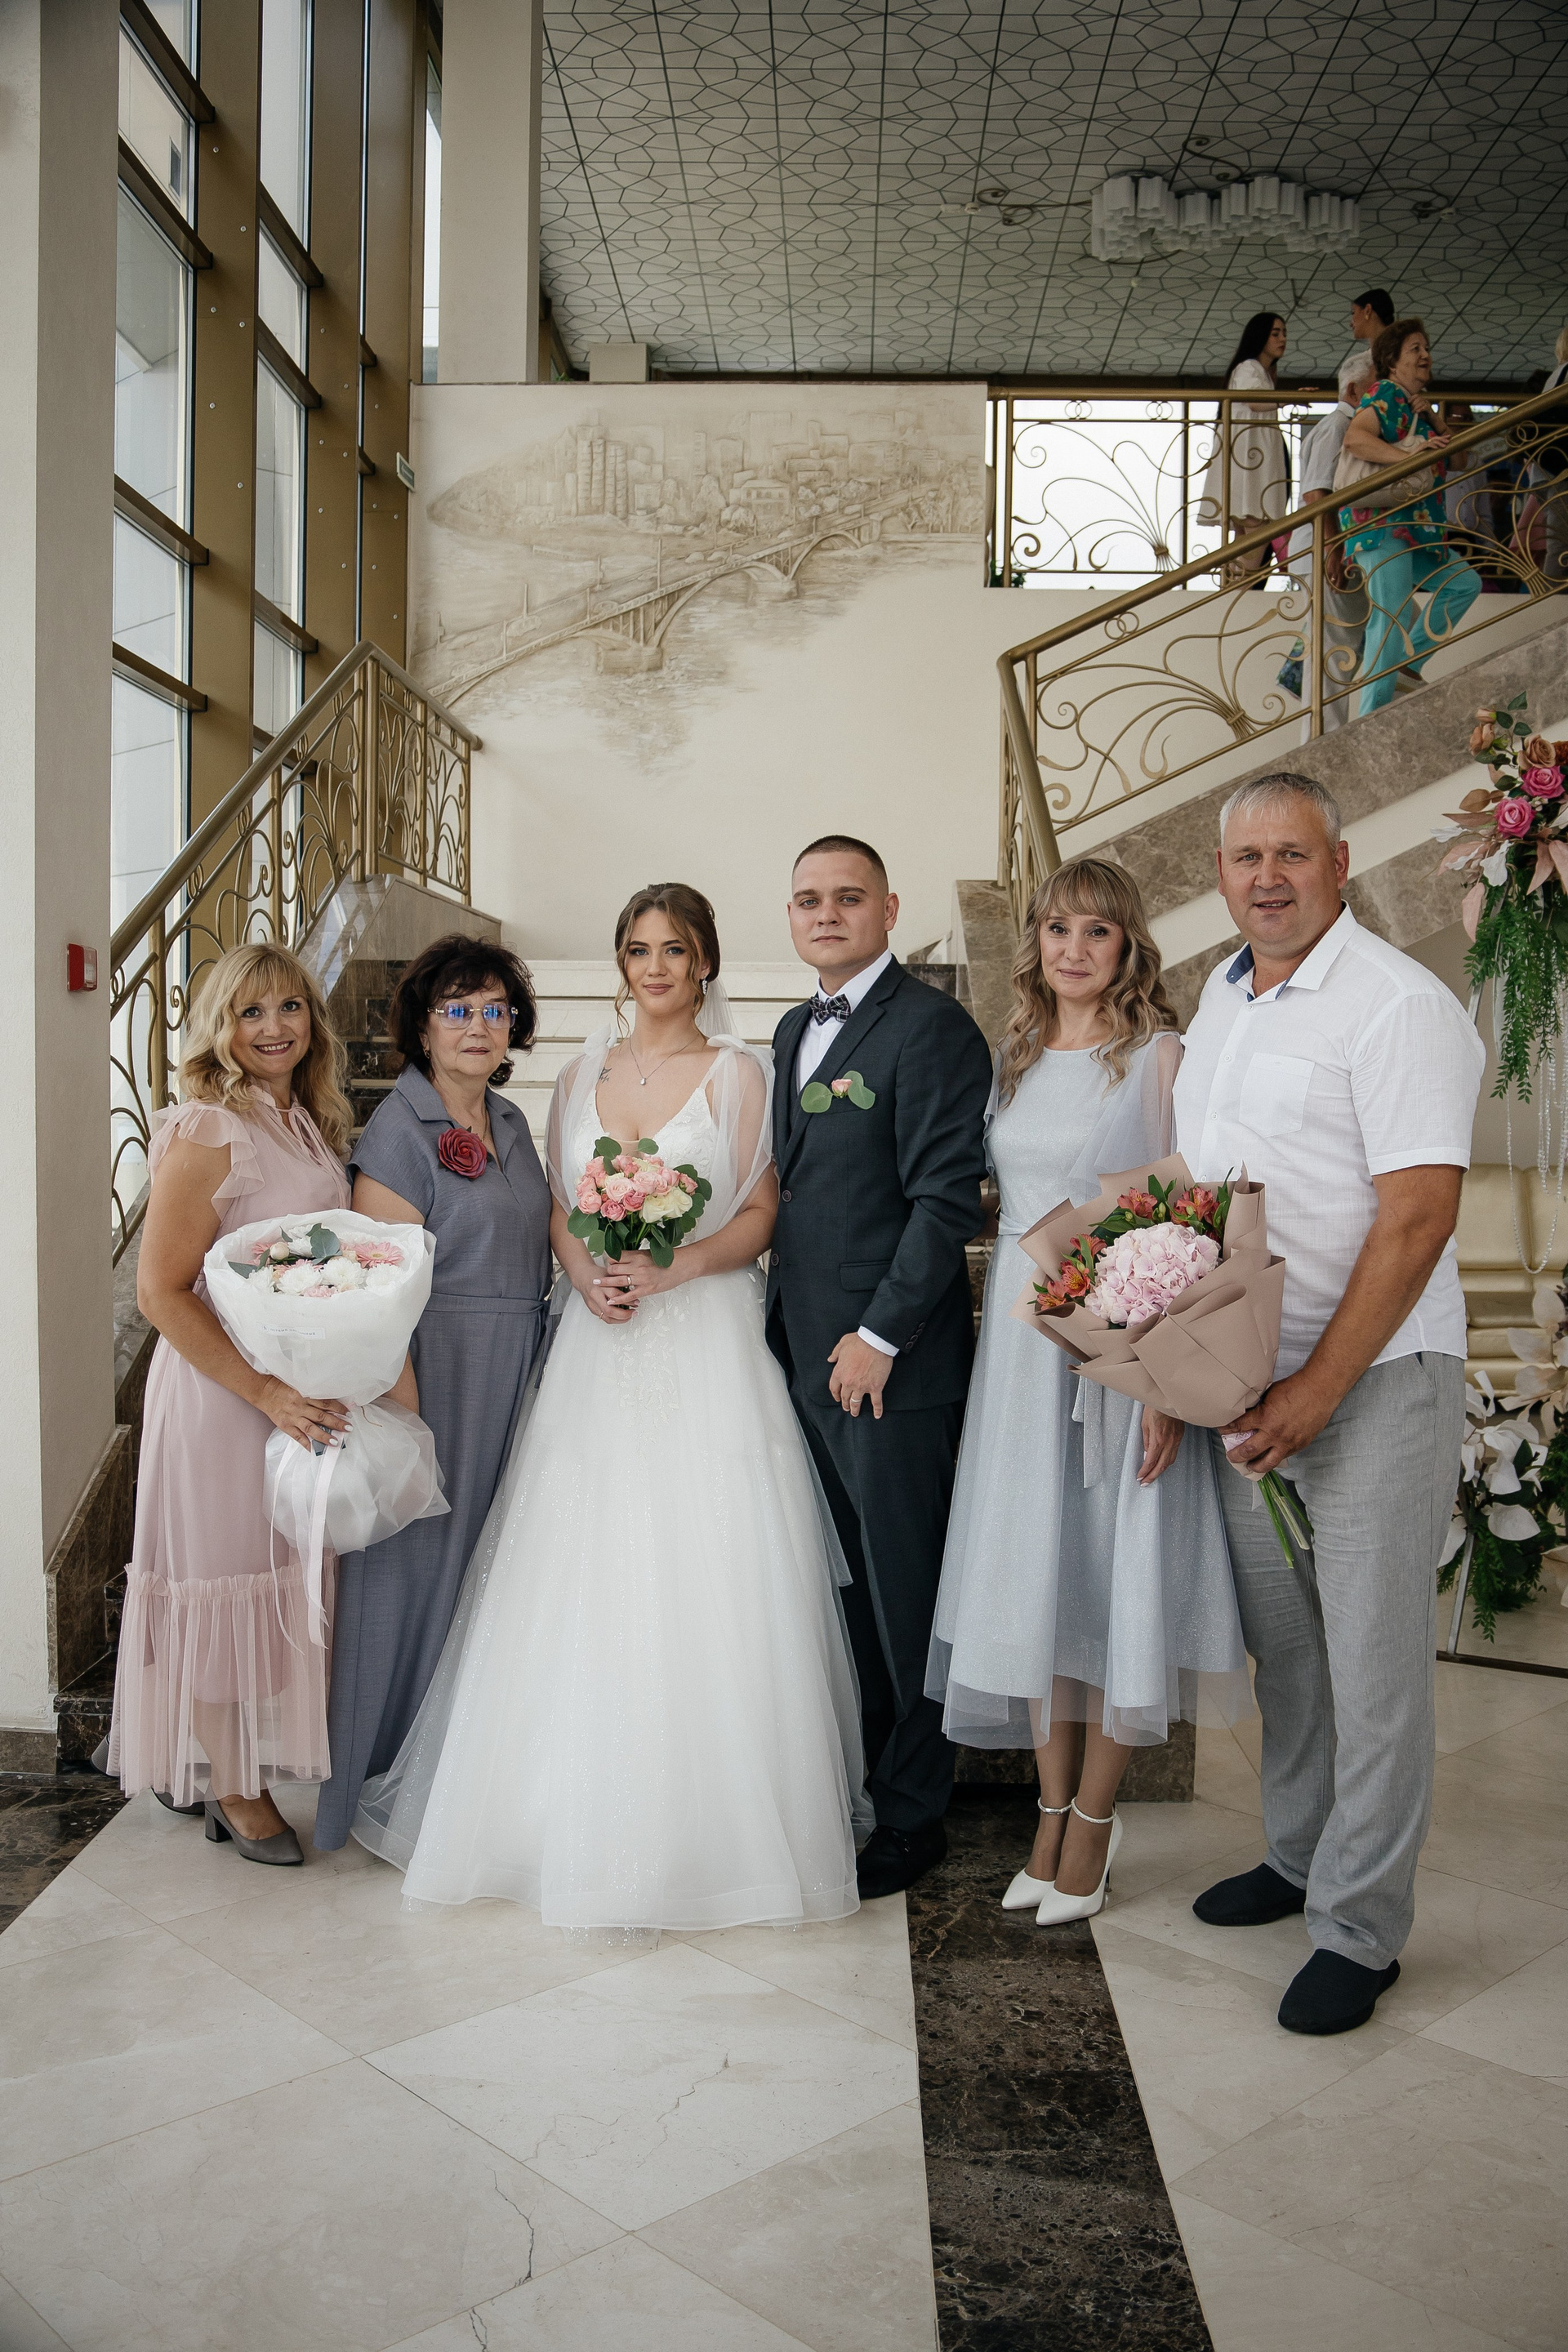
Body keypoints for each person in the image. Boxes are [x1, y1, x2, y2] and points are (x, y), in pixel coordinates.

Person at [353, 884, 867, 1931]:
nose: (657, 967)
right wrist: (588, 1276)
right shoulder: (576, 1074)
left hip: (703, 1330)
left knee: (709, 1559)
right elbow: (558, 1205)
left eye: (676, 949)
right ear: (621, 964)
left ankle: (720, 1832)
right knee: (577, 1555)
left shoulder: (738, 1073)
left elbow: (762, 1209)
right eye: (638, 949)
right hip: (597, 1338)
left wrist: (677, 1269)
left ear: (705, 961)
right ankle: (549, 1815)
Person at [1174, 773, 1483, 2036]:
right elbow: (1204, 1195)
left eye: (1292, 854)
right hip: (1247, 1388)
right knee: (1290, 1653)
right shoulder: (1220, 997)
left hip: (1375, 1382)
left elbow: (1417, 1219)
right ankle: (1299, 1856)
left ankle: (1361, 1927)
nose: (1268, 878)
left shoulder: (1398, 1005)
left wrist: (1316, 1389)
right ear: (1221, 872)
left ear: (1339, 865)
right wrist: (1180, 1371)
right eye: (1246, 857)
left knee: (1373, 1666)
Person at [927, 859, 1249, 1926]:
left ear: (1128, 948)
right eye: (1058, 928)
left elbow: (1182, 1222)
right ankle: (1049, 1815)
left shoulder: (1158, 1057)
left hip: (1117, 1350)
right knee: (1035, 1577)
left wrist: (1158, 1385)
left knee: (1111, 1580)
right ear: (1036, 941)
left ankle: (1095, 1829)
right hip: (1019, 1360)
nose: (1074, 949)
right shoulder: (1014, 1057)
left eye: (1097, 932)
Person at [767, 837, 993, 1898]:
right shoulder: (789, 1031)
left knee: (906, 1591)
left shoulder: (932, 1028)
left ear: (889, 909)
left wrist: (882, 1337)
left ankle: (913, 1810)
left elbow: (946, 1201)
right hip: (800, 1348)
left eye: (847, 897)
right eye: (808, 899)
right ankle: (861, 1777)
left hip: (890, 1363)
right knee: (846, 1585)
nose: (826, 914)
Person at [102, 944, 354, 1865]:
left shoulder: (307, 1119)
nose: (275, 1027)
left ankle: (220, 1761)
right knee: (219, 1578)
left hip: (288, 1387)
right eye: (251, 1012)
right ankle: (233, 1787)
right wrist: (266, 1391)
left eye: (290, 1007)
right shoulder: (210, 1126)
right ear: (219, 1026)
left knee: (272, 1570)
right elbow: (159, 1293)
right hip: (222, 1394)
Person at [313, 935, 553, 1851]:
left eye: (495, 1009)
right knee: (408, 1571)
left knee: (482, 1575)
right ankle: (371, 1778)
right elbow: (381, 1289)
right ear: (421, 1026)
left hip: (514, 1365)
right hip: (434, 1368)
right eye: (457, 1009)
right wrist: (405, 1410)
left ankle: (445, 1782)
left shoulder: (512, 1121)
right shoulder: (398, 1128)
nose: (478, 1026)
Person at [1338, 317, 1481, 716]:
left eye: (1426, 348)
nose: (1425, 355)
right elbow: (1355, 438)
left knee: (1463, 584)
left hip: (1415, 529)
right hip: (1382, 526)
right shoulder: (1385, 391)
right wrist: (1406, 458)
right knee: (1390, 618)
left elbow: (1458, 459)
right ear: (1392, 361)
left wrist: (1433, 418)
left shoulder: (1416, 405)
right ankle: (1370, 720)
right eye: (1415, 349)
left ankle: (1406, 668)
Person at [1285, 350, 1376, 732]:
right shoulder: (1338, 426)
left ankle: (1325, 736)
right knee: (1332, 652)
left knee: (1341, 647)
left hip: (1331, 549)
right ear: (1353, 391)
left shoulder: (1347, 427)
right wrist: (1334, 550)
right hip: (1324, 550)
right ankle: (1323, 741)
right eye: (1375, 386)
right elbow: (1316, 494)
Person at [1198, 311, 1290, 581]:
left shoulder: (1258, 371)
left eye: (1284, 334)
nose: (1282, 339)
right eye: (1275, 334)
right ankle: (1237, 590)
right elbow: (1255, 401)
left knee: (1248, 528)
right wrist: (1289, 399)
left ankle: (1233, 589)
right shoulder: (1249, 368)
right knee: (1255, 523)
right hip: (1250, 456)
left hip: (1252, 453)